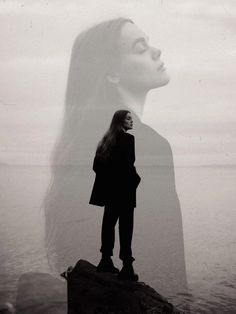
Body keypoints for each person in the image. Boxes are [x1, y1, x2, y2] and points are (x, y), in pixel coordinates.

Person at [43, 17, 188, 303]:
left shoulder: (81, 140)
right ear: (112, 73)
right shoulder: (151, 144)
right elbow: (170, 265)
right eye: (140, 47)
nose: (156, 52)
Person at [89, 110, 141, 281]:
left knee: (108, 224)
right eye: (128, 118)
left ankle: (105, 261)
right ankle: (127, 267)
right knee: (126, 228)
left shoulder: (105, 140)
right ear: (119, 121)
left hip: (110, 192)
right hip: (125, 190)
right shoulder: (128, 139)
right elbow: (128, 164)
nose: (132, 121)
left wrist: (110, 182)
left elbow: (97, 167)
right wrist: (135, 180)